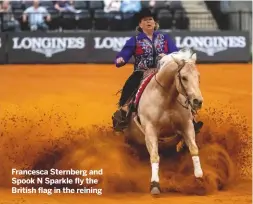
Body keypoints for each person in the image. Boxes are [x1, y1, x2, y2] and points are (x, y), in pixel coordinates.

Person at [112, 8, 203, 133]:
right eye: (145, 20)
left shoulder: (164, 38)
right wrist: (120, 59)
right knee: (130, 86)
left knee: (181, 87)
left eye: (151, 19)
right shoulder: (134, 40)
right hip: (142, 72)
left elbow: (175, 54)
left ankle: (190, 117)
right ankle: (124, 112)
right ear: (140, 24)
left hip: (164, 72)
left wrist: (166, 56)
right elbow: (123, 55)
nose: (148, 22)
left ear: (155, 23)